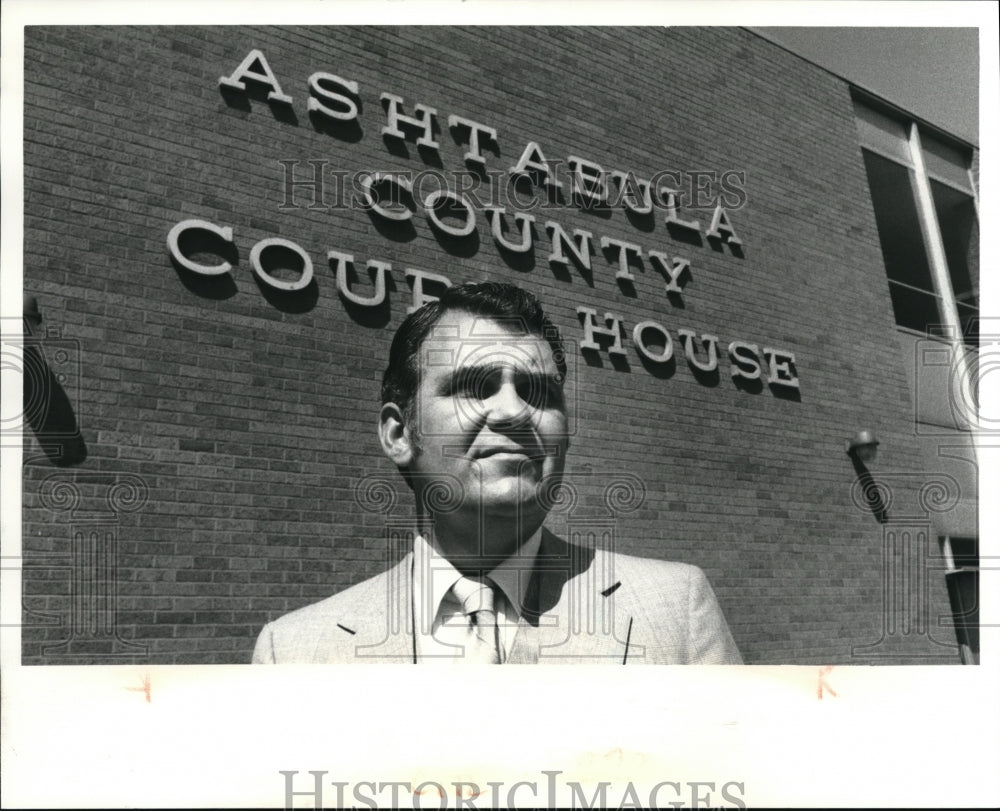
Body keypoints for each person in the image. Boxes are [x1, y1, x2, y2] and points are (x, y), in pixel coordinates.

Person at [252, 282, 741, 664]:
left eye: (538, 392)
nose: (513, 411)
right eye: (473, 386)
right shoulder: (292, 651)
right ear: (399, 435)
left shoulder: (676, 608)